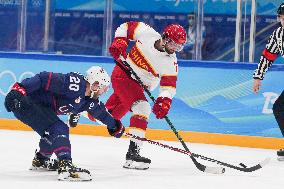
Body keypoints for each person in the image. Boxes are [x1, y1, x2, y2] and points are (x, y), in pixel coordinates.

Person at [4, 66, 125, 181]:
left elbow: (101, 114)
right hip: (25, 102)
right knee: (58, 128)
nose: (104, 91)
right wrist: (18, 89)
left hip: (39, 108)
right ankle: (65, 166)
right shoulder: (76, 84)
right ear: (95, 84)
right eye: (103, 87)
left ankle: (41, 159)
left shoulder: (89, 101)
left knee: (53, 132)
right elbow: (44, 78)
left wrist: (115, 126)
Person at [106, 21, 186, 170]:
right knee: (143, 108)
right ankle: (133, 154)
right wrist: (120, 41)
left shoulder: (170, 62)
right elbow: (125, 27)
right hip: (123, 75)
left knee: (108, 116)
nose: (175, 49)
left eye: (179, 46)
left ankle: (81, 109)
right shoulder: (147, 33)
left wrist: (164, 100)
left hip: (137, 88)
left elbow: (169, 87)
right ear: (165, 37)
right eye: (174, 44)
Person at [252, 3, 284, 161]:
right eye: (282, 17)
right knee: (279, 108)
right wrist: (258, 76)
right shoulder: (278, 34)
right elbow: (267, 56)